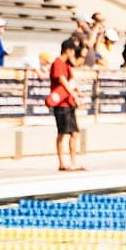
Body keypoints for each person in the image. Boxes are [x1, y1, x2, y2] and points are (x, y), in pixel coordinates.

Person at [48, 35, 83, 172]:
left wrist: (77, 92)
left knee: (74, 133)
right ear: (67, 50)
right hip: (61, 104)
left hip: (69, 103)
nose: (74, 54)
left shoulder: (67, 65)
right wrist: (75, 95)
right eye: (73, 51)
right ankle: (62, 162)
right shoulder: (57, 63)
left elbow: (72, 81)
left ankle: (73, 162)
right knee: (62, 133)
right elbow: (63, 81)